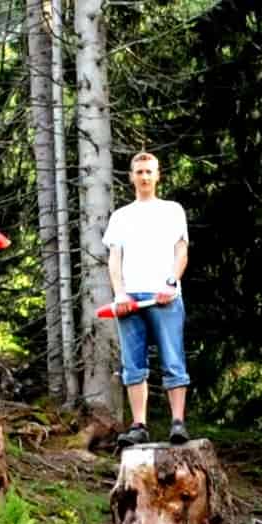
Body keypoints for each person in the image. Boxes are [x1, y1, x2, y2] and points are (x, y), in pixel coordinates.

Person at [105, 152, 191, 447]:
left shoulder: (172, 210)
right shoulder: (121, 216)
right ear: (131, 176)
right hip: (130, 301)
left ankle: (177, 423)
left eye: (149, 172)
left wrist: (170, 283)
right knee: (133, 366)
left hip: (165, 298)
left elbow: (181, 252)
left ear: (158, 175)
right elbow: (114, 260)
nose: (144, 177)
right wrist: (120, 293)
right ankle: (139, 425)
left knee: (173, 361)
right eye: (139, 172)